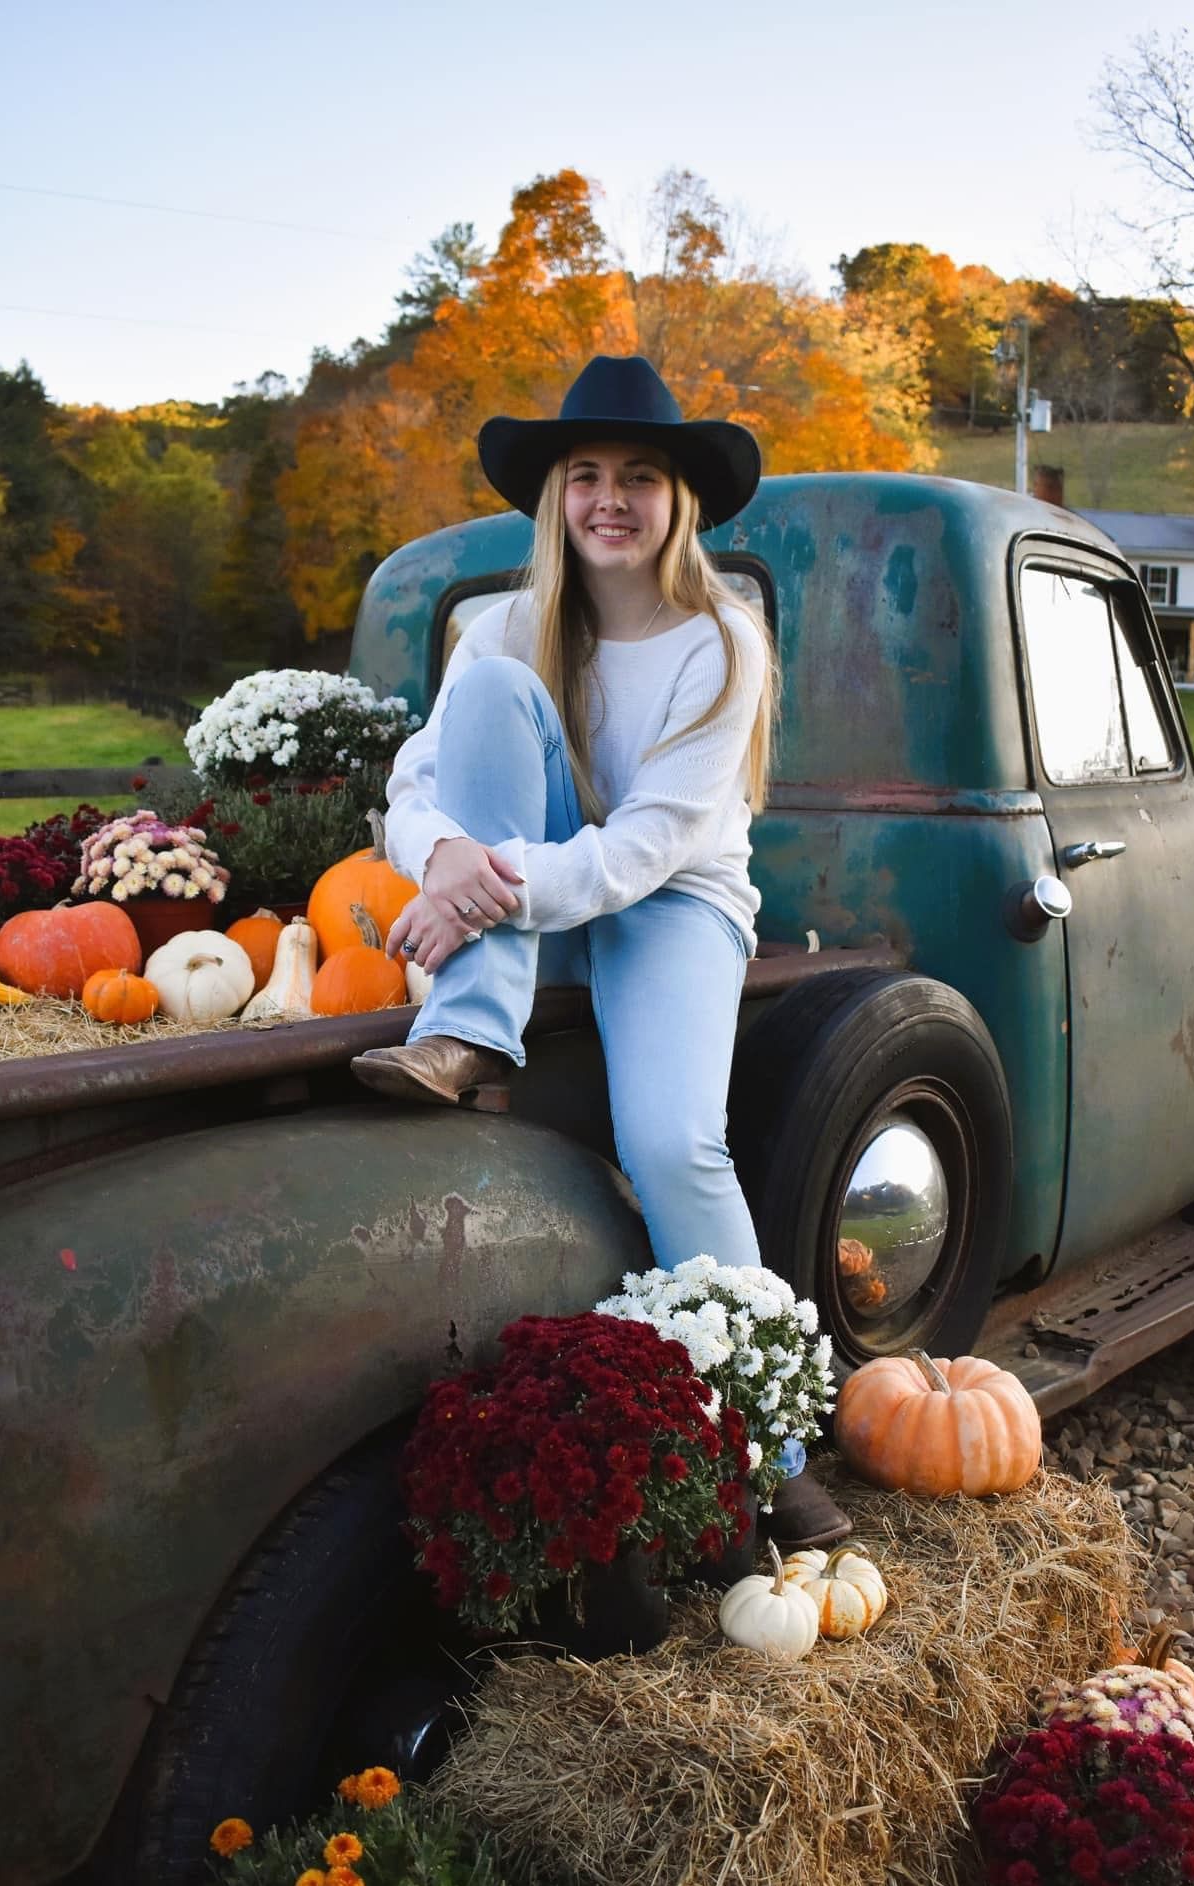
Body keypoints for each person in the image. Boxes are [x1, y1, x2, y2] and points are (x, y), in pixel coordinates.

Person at [352, 354, 850, 1544]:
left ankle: (769, 1445)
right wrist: (441, 860)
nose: (609, 499)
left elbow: (643, 852)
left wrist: (482, 887)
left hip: (671, 900)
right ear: (555, 496)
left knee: (673, 1141)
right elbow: (414, 779)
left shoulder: (720, 643)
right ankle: (469, 1025)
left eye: (638, 475)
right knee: (479, 707)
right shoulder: (510, 627)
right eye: (586, 475)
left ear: (679, 500)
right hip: (529, 883)